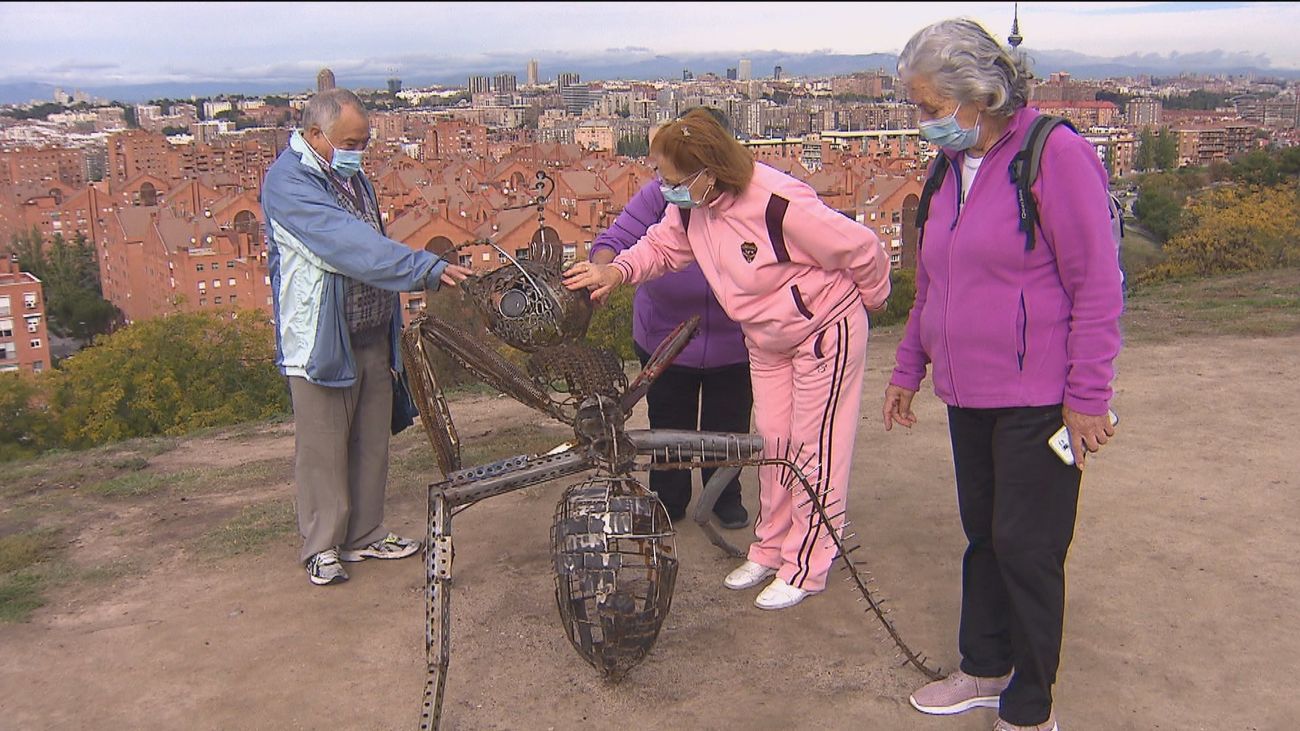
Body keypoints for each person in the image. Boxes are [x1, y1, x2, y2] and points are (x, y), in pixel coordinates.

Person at [882, 18, 1124, 731]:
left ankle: (1030, 703)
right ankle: (984, 667)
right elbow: (933, 280)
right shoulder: (948, 168)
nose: (923, 123)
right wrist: (908, 367)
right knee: (985, 531)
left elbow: (1097, 285)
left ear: (977, 96)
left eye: (930, 109)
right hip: (970, 392)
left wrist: (1088, 398)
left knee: (1029, 543)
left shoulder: (1056, 155)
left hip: (1040, 396)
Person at [564, 109, 891, 611]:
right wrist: (619, 272)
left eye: (671, 179)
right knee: (774, 443)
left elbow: (862, 248)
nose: (662, 187)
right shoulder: (694, 206)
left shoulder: (778, 203)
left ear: (707, 172)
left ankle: (809, 561)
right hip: (764, 338)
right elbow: (663, 247)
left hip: (823, 328)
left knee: (815, 447)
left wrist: (871, 301)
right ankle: (771, 548)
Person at [261, 88, 473, 586]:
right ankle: (321, 546)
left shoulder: (349, 176)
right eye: (351, 141)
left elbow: (372, 240)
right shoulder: (288, 184)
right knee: (323, 445)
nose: (361, 151)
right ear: (315, 135)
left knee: (371, 438)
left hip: (373, 328)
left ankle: (363, 534)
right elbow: (352, 247)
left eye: (365, 141)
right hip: (322, 336)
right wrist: (425, 269)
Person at [588, 107, 752, 530]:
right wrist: (601, 272)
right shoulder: (661, 193)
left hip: (734, 340)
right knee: (669, 421)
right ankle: (670, 497)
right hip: (664, 336)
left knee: (729, 424)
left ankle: (723, 495)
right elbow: (616, 239)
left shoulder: (751, 197)